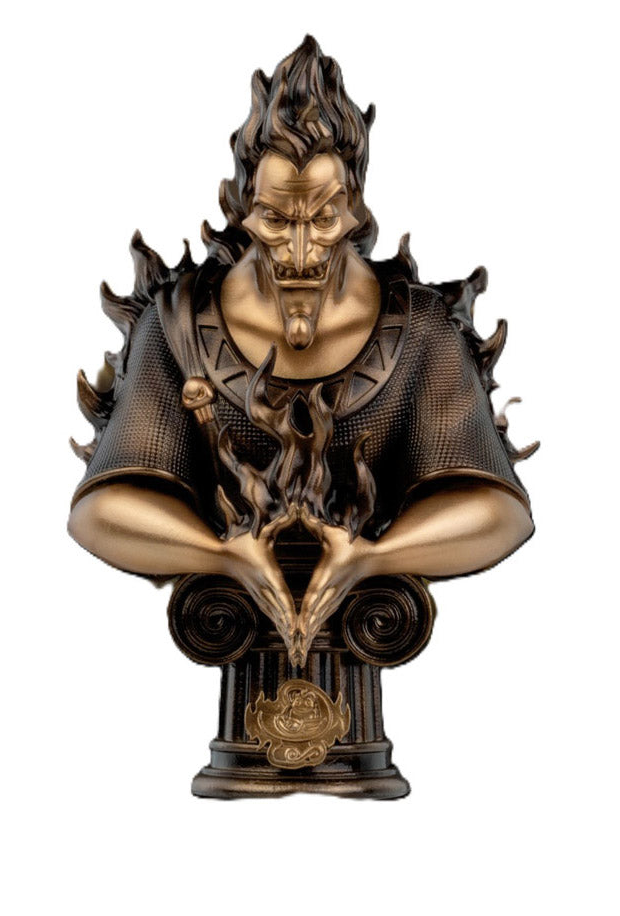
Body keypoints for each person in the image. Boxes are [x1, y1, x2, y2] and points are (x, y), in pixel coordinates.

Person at [68, 36, 535, 666]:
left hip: (362, 628)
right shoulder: (177, 324)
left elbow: (499, 509)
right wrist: (219, 553)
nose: (298, 250)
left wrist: (374, 556)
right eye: (276, 221)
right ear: (244, 212)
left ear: (354, 212)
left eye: (322, 220)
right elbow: (100, 509)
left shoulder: (420, 330)